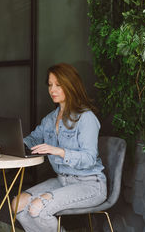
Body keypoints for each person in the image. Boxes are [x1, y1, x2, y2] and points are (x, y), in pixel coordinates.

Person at [11, 63, 107, 232]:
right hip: (62, 181)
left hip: (90, 184)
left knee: (37, 208)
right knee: (17, 204)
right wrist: (9, 143)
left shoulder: (86, 118)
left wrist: (58, 151)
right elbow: (32, 140)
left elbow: (89, 159)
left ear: (70, 86)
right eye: (50, 85)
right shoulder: (49, 119)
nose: (52, 90)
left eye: (58, 85)